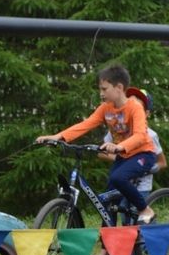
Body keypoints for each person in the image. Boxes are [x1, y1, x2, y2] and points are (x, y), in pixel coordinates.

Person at [35, 64, 157, 224]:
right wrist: (58, 137)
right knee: (107, 201)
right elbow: (86, 124)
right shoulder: (105, 108)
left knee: (118, 177)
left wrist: (119, 146)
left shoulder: (135, 107)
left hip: (143, 154)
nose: (101, 93)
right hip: (125, 157)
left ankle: (145, 209)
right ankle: (107, 248)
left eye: (104, 89)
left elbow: (141, 135)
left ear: (119, 87)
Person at [91, 87, 167, 255]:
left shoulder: (150, 135)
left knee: (135, 222)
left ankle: (153, 254)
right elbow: (102, 153)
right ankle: (108, 251)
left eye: (137, 105)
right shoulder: (116, 130)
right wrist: (118, 155)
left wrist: (146, 169)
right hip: (121, 180)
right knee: (111, 207)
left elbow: (162, 162)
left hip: (140, 185)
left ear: (145, 112)